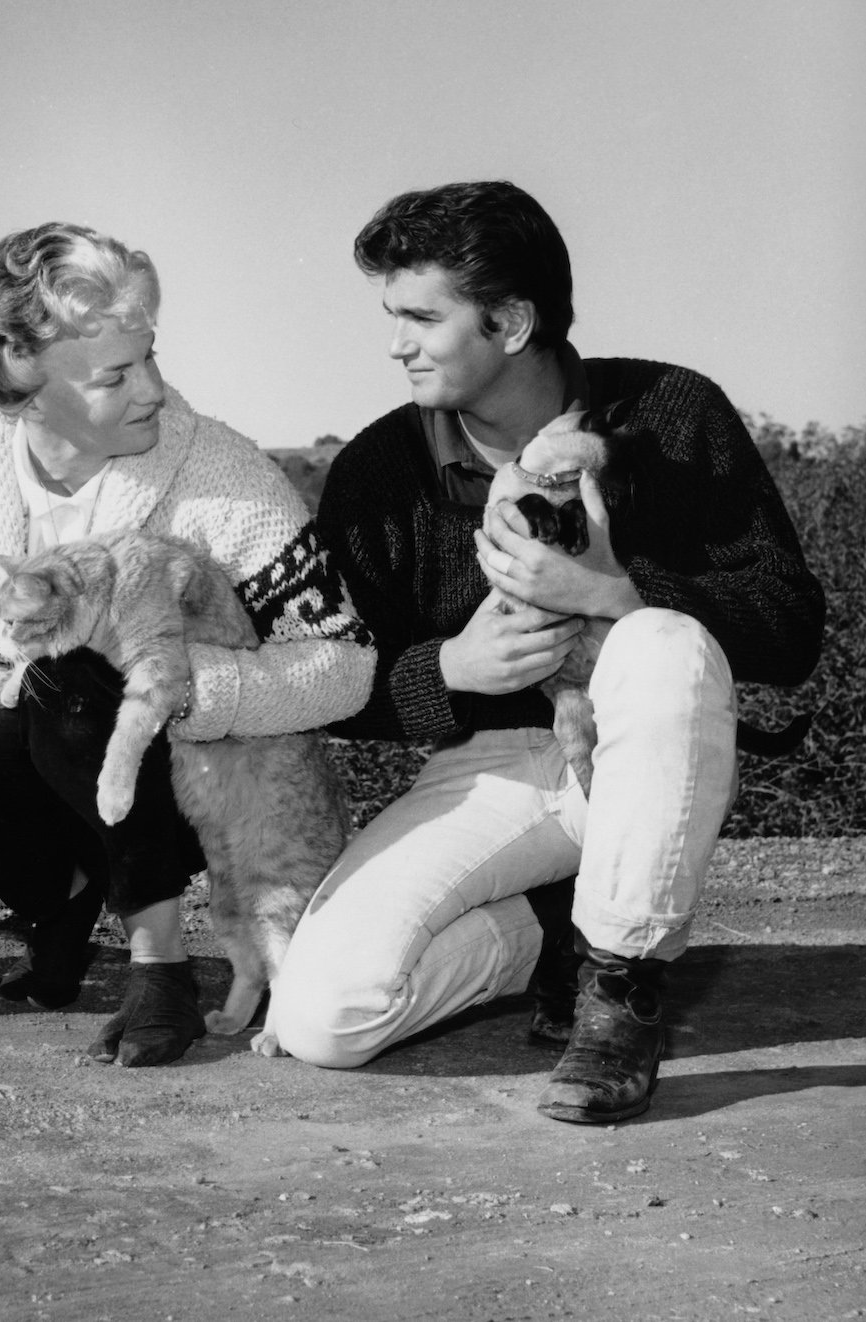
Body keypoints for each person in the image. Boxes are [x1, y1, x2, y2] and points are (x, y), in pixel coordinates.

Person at [270, 181, 824, 1123]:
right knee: (327, 1020)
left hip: (648, 746)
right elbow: (322, 680)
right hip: (491, 766)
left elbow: (788, 627)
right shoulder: (378, 469)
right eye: (389, 315)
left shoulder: (672, 410)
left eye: (420, 316)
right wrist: (447, 670)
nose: (395, 342)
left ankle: (620, 988)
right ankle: (551, 926)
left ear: (511, 321)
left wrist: (617, 592)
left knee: (658, 642)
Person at [0, 221, 375, 1067]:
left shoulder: (226, 481)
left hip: (201, 781)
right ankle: (69, 906)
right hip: (65, 766)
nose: (153, 389)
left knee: (82, 681)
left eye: (152, 357)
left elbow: (342, 661)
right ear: (20, 383)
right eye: (117, 374)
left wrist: (195, 689)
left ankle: (160, 969)